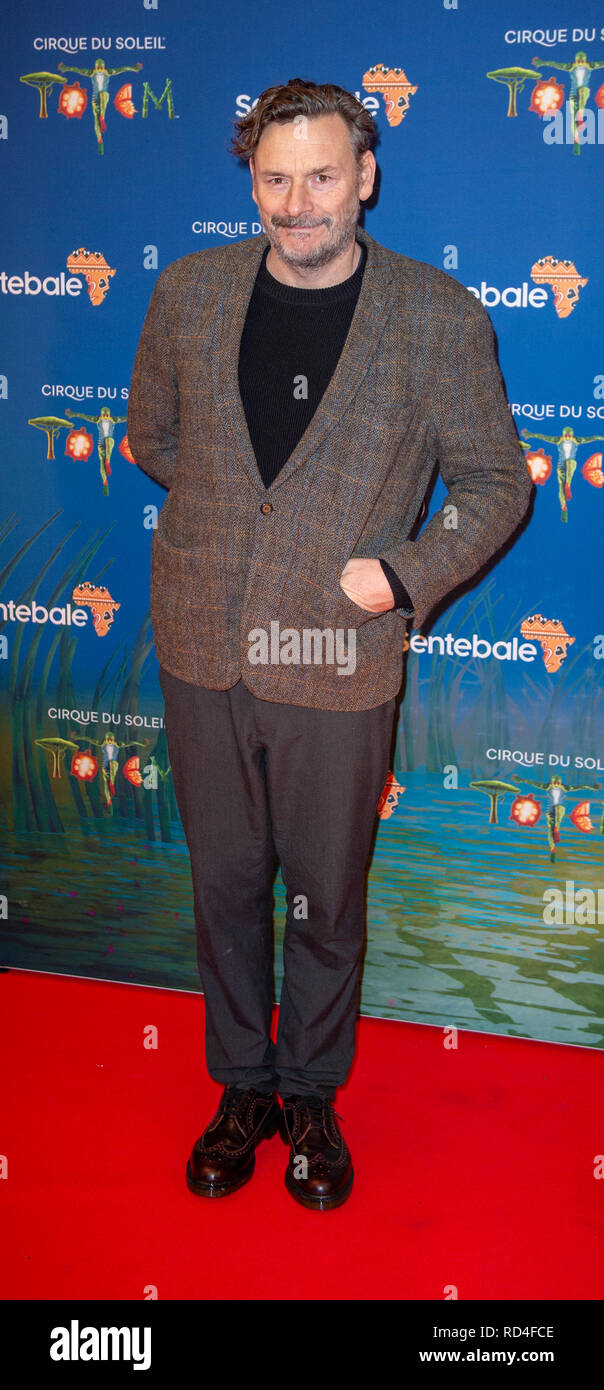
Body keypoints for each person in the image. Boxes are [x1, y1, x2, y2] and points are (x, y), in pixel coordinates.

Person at [127, 77, 533, 1211]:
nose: (295, 203)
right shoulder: (187, 291)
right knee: (224, 886)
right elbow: (150, 434)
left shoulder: (438, 313)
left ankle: (310, 1091)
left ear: (365, 176)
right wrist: (229, 531)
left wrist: (401, 572)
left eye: (319, 176)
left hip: (339, 658)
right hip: (203, 642)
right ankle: (239, 1087)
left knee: (322, 895)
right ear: (249, 179)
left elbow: (497, 483)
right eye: (273, 178)